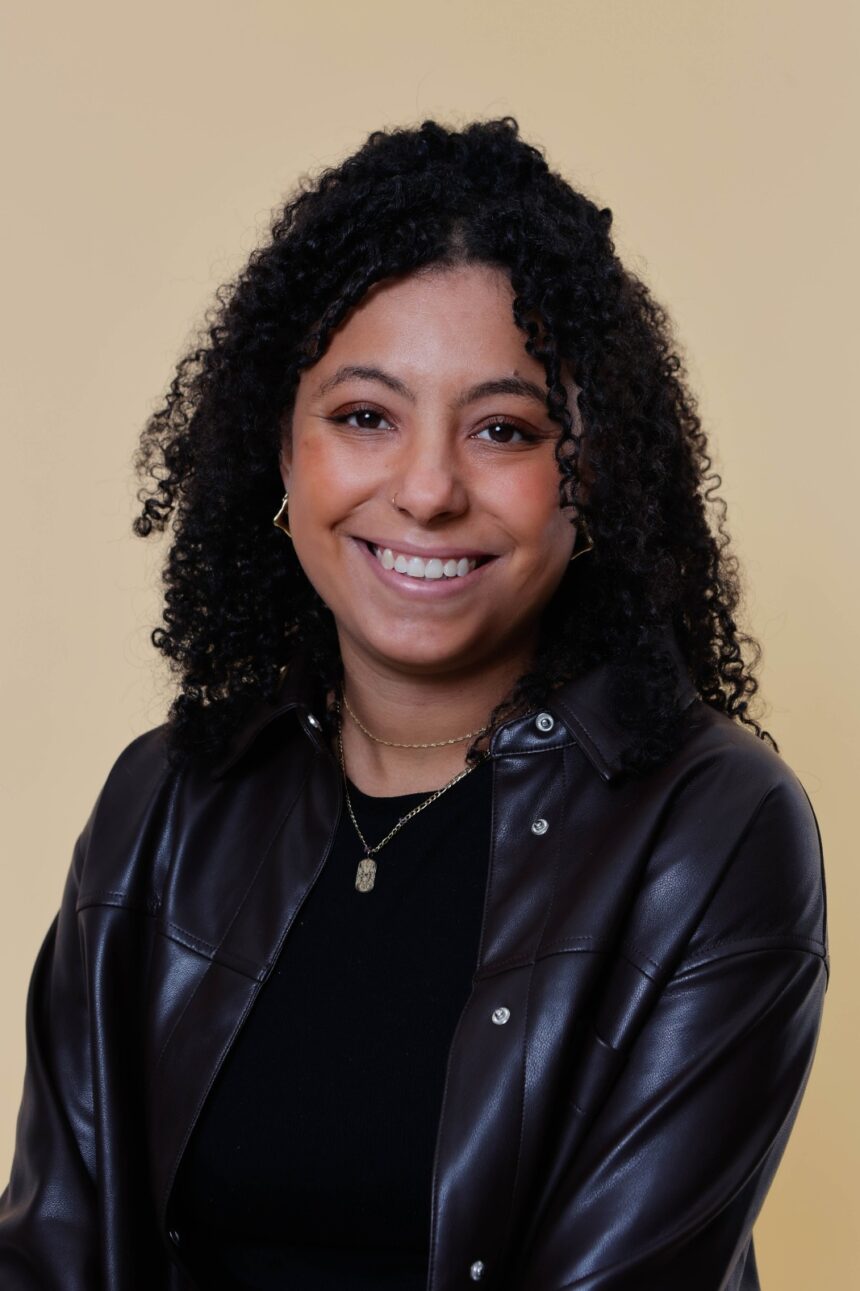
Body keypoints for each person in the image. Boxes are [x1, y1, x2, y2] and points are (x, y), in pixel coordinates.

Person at [0, 117, 828, 1290]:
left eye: (503, 429)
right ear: (280, 449)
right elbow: (52, 1250)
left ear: (590, 475)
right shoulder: (166, 800)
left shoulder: (711, 832)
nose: (428, 489)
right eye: (364, 417)